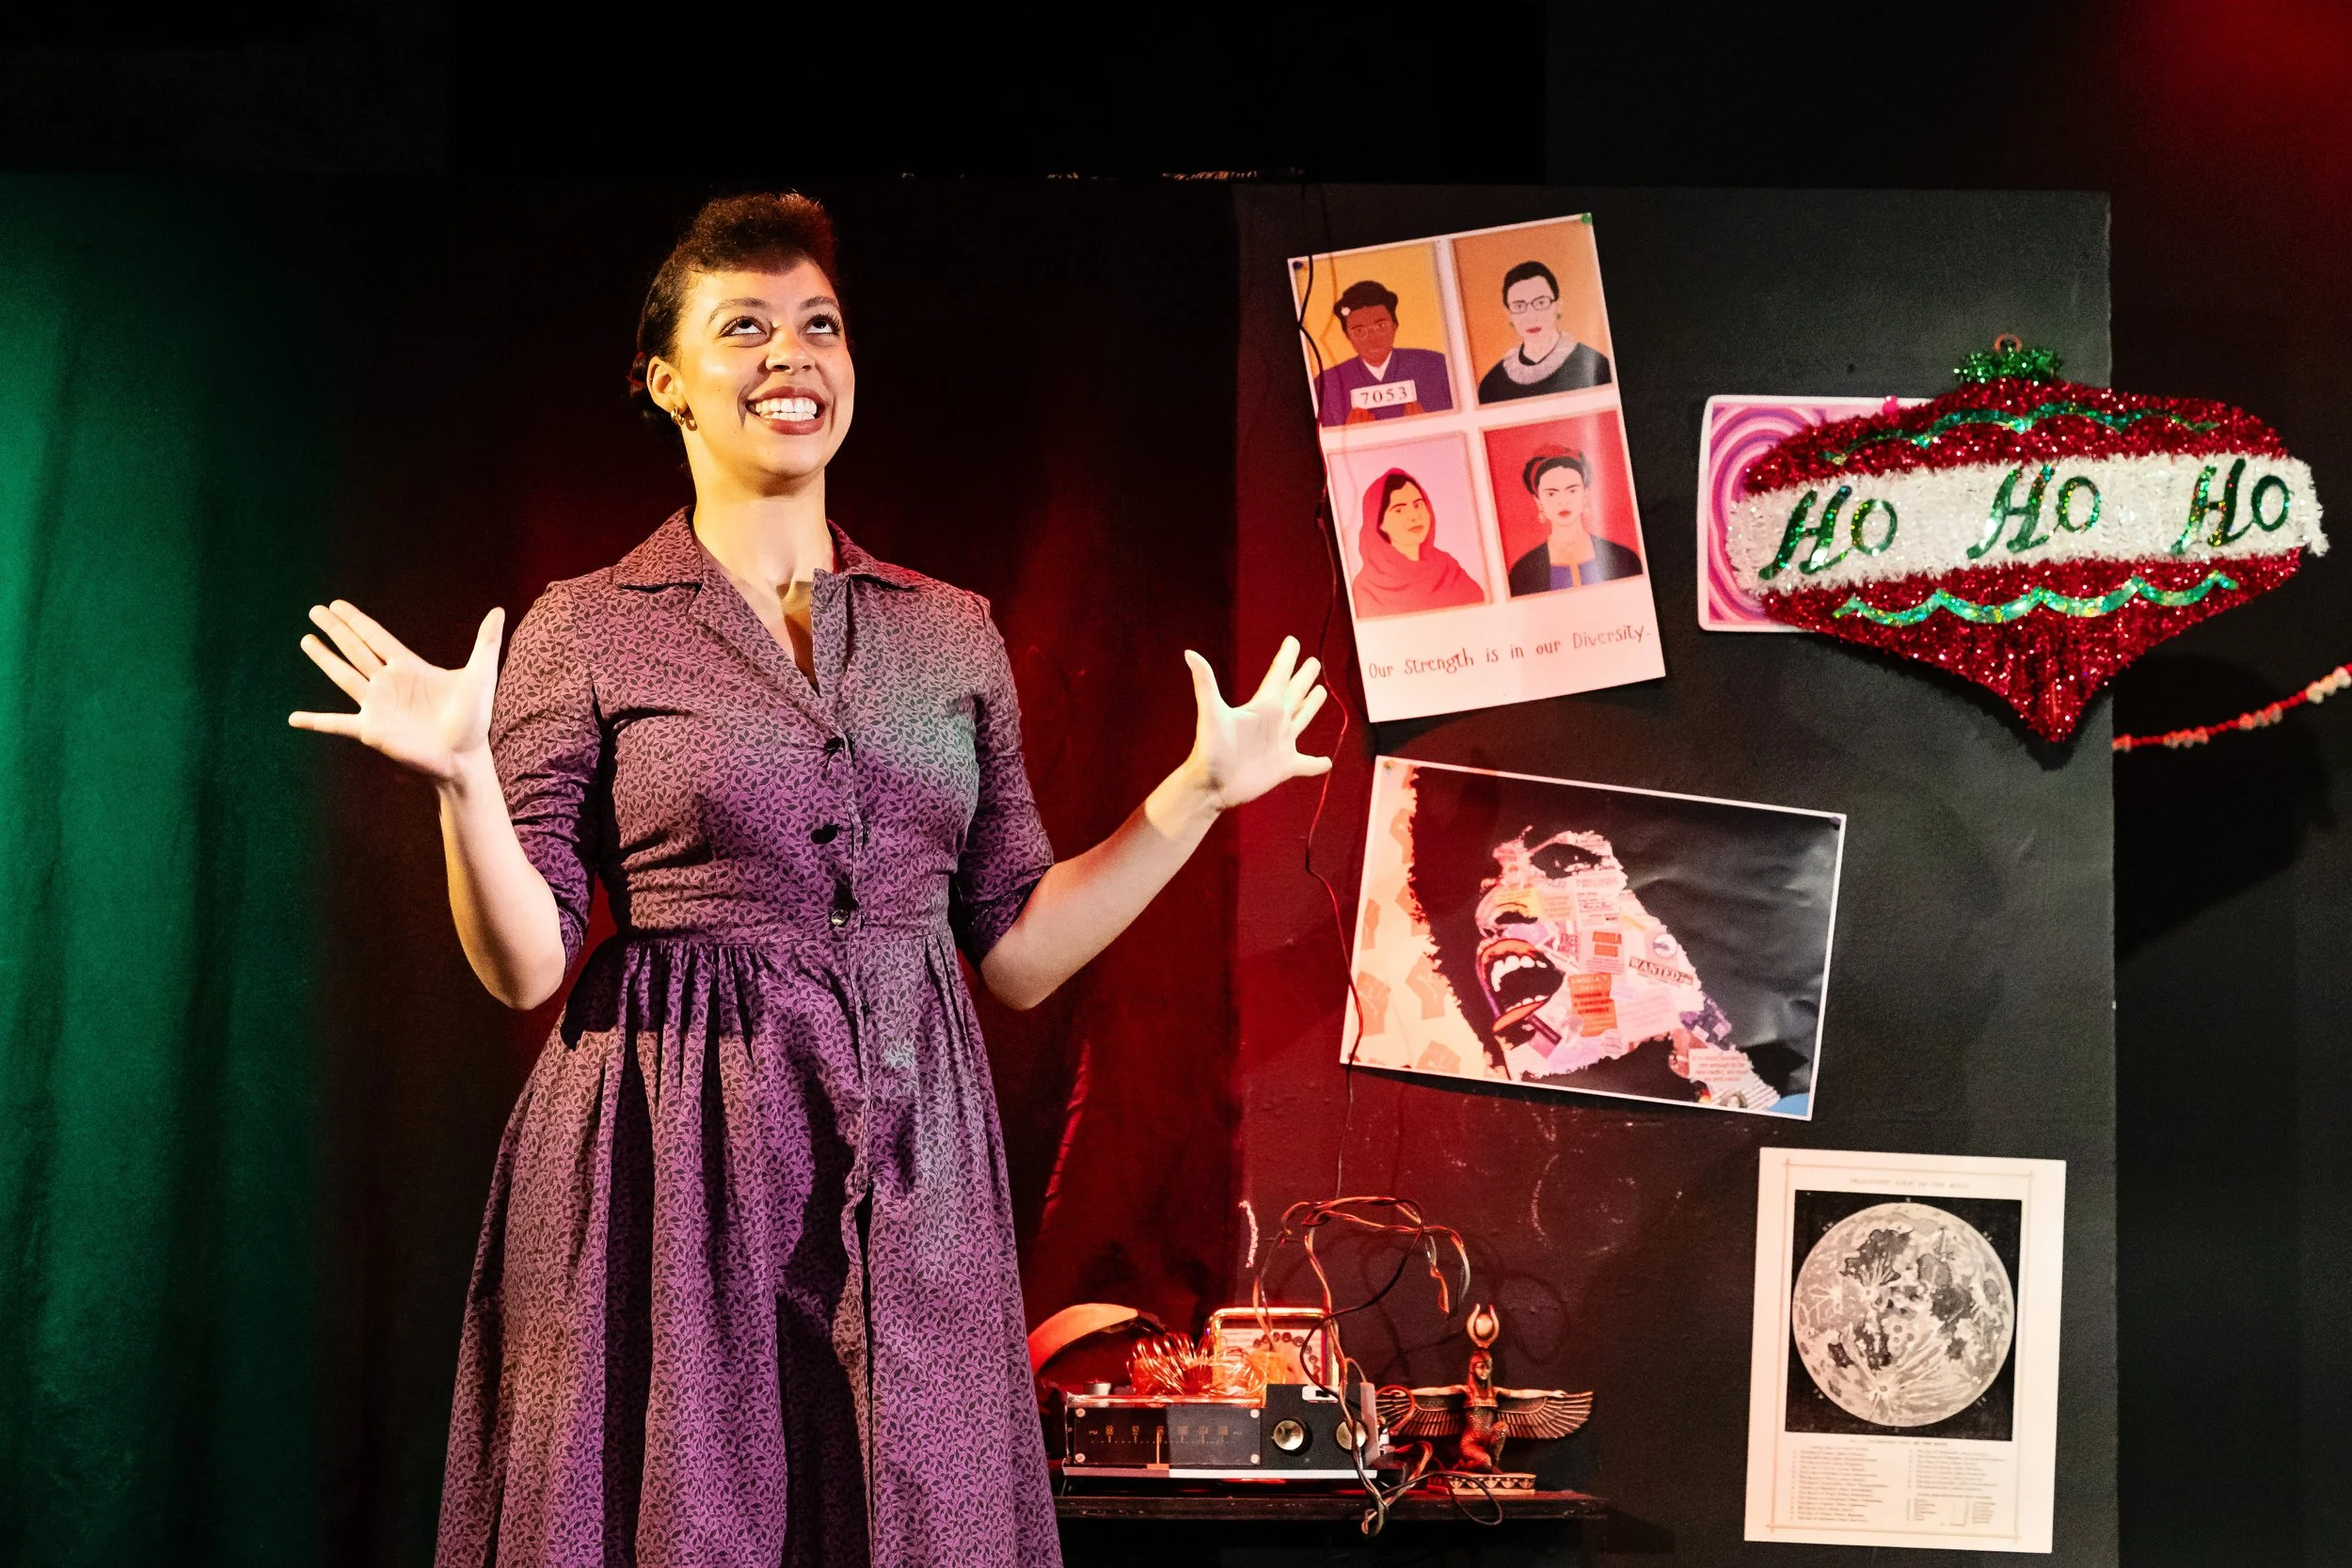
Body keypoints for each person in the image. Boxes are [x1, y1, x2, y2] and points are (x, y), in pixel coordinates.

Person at [288, 193, 1331, 1568]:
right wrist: (462, 778)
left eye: (818, 325)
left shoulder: (951, 630)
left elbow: (1014, 946)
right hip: (668, 1146)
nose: (792, 354)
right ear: (668, 382)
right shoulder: (585, 626)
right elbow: (526, 961)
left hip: (917, 1145)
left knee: (917, 1512)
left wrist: (1196, 792)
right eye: (744, 327)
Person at [1311, 278, 1454, 426]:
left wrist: (1432, 425)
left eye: (1380, 326)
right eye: (1359, 331)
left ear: (1394, 325)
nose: (1372, 338)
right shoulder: (1327, 384)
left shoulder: (1436, 366)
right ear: (1347, 335)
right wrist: (1349, 436)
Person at [1351, 468, 1486, 618]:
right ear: (1379, 523)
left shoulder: (1448, 568)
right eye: (1399, 510)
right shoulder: (1367, 588)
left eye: (1417, 505)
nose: (1414, 516)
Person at [1506, 446, 1642, 594]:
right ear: (1538, 500)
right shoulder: (1523, 571)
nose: (1563, 502)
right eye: (1551, 494)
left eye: (1572, 490)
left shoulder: (1624, 559)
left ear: (1585, 494)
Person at [1475, 261, 1612, 403]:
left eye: (1540, 303)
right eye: (1519, 306)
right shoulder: (1491, 385)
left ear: (1558, 306)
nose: (1531, 316)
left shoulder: (1596, 366)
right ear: (1509, 314)